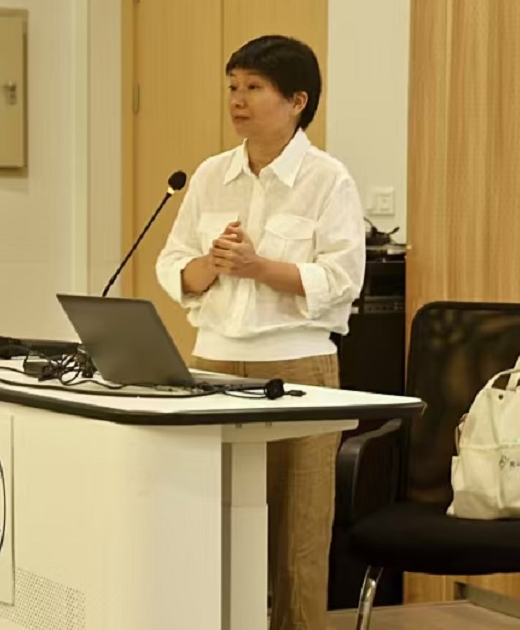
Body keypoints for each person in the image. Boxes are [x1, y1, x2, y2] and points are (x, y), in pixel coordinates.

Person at [155, 35, 366, 628]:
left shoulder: (328, 179)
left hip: (298, 368)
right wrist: (212, 264)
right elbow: (174, 266)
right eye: (233, 87)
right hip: (213, 364)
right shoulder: (210, 175)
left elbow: (343, 279)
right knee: (214, 525)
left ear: (297, 101)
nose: (238, 100)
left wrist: (258, 267)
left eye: (254, 88)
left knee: (298, 536)